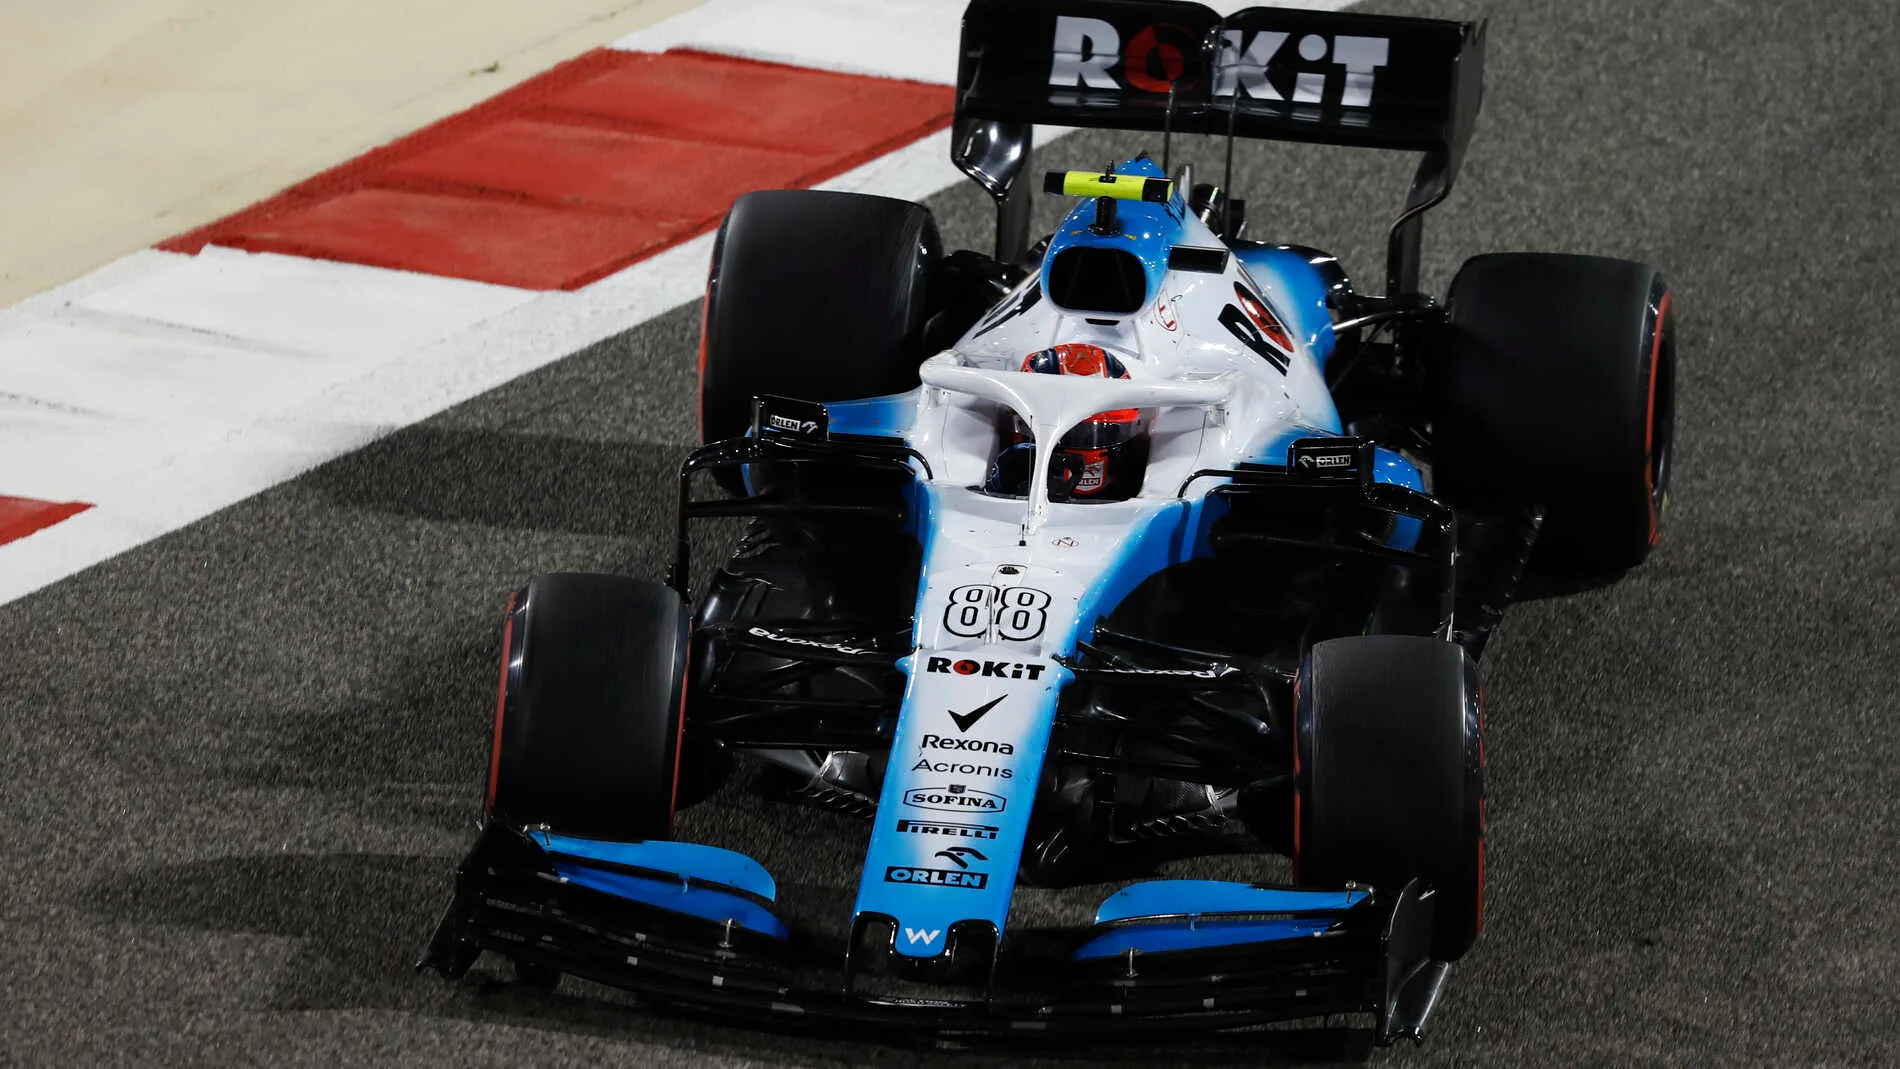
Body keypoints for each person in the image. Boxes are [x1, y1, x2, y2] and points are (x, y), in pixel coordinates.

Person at [984, 343, 1151, 502]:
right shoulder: (1010, 468)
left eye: (1097, 433)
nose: (1082, 441)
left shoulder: (1135, 471)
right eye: (1069, 432)